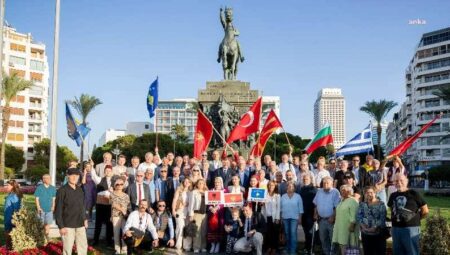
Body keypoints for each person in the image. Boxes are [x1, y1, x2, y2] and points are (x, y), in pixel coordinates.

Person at [388, 174, 428, 255]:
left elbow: (425, 211)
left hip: (411, 229)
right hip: (396, 229)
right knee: (397, 252)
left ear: (406, 181)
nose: (399, 183)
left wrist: (415, 219)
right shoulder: (393, 195)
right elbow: (392, 209)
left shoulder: (414, 194)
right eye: (396, 181)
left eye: (401, 180)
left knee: (412, 252)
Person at [55, 168, 88, 255]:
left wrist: (85, 219)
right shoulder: (62, 191)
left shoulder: (80, 190)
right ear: (68, 176)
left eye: (76, 176)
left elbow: (82, 206)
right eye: (72, 175)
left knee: (83, 247)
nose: (74, 178)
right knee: (67, 249)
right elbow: (58, 210)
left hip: (80, 224)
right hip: (67, 225)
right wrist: (61, 226)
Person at [313, 176, 340, 255]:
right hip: (321, 220)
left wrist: (333, 216)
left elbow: (337, 206)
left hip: (331, 220)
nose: (325, 185)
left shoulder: (335, 192)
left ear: (331, 184)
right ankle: (326, 253)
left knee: (333, 239)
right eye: (324, 183)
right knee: (323, 238)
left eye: (327, 183)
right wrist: (315, 213)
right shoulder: (319, 191)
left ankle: (333, 253)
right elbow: (316, 204)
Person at [357, 186, 387, 255]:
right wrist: (364, 227)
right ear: (364, 194)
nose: (369, 194)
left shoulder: (381, 204)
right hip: (365, 234)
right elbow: (359, 216)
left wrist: (374, 228)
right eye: (367, 193)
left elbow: (382, 219)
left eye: (371, 192)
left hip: (378, 234)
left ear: (375, 193)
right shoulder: (362, 204)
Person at [332, 184, 360, 255]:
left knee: (350, 249)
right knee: (343, 247)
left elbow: (354, 215)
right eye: (341, 191)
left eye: (344, 190)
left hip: (349, 229)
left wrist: (352, 225)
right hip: (341, 229)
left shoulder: (353, 201)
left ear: (349, 192)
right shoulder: (342, 201)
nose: (342, 192)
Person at [90, 164, 114, 246]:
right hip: (100, 204)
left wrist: (112, 191)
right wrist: (92, 166)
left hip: (110, 205)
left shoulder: (115, 181)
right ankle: (95, 240)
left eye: (109, 171)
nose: (108, 172)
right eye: (106, 171)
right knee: (98, 223)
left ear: (112, 172)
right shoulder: (100, 179)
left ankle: (109, 241)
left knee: (109, 223)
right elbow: (93, 176)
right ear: (104, 172)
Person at [281, 182, 304, 255]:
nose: (290, 187)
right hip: (285, 217)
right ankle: (287, 249)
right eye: (288, 186)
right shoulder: (283, 196)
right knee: (287, 234)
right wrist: (281, 218)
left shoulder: (298, 196)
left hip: (295, 218)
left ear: (294, 188)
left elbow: (301, 208)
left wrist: (300, 218)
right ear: (286, 187)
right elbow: (281, 208)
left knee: (293, 234)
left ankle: (293, 251)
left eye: (291, 186)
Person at [110, 177, 130, 254]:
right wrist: (122, 210)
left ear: (123, 185)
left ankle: (124, 249)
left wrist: (126, 214)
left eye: (121, 184)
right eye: (117, 184)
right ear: (115, 185)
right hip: (116, 216)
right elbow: (113, 205)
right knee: (116, 233)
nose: (119, 186)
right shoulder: (112, 194)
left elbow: (128, 206)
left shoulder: (126, 195)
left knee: (125, 232)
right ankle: (117, 249)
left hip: (124, 217)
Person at [172, 178, 193, 251]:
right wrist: (173, 210)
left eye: (188, 182)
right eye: (185, 181)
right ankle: (178, 246)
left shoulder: (191, 191)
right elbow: (174, 200)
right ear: (183, 182)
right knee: (180, 228)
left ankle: (187, 246)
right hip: (179, 211)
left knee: (188, 229)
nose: (187, 183)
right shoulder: (179, 190)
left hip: (188, 212)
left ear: (190, 183)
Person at [188, 179, 209, 253]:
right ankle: (196, 247)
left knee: (203, 231)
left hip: (205, 214)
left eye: (202, 183)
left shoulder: (207, 193)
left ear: (204, 184)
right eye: (199, 183)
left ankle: (203, 247)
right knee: (197, 231)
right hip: (197, 214)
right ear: (197, 184)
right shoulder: (194, 192)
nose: (201, 184)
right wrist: (191, 215)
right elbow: (191, 204)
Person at [299, 174, 318, 254]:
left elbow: (316, 204)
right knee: (306, 232)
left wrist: (315, 214)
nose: (305, 180)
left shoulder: (314, 189)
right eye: (304, 179)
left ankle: (311, 249)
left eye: (306, 179)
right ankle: (306, 248)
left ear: (310, 179)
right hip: (303, 213)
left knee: (310, 232)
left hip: (310, 214)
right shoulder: (302, 189)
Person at [34, 174, 57, 240]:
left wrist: (53, 206)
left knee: (48, 224)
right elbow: (37, 198)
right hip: (41, 209)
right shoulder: (39, 188)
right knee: (40, 224)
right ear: (43, 179)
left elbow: (53, 199)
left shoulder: (53, 188)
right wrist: (38, 207)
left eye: (49, 178)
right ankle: (40, 237)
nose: (48, 179)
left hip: (49, 209)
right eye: (46, 178)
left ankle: (46, 237)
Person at [207, 177, 227, 253]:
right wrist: (211, 208)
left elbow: (225, 201)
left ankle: (218, 244)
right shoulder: (211, 190)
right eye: (216, 182)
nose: (217, 183)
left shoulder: (224, 191)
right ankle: (212, 244)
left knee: (219, 228)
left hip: (220, 213)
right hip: (212, 213)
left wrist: (217, 207)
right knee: (212, 228)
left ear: (221, 183)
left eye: (218, 182)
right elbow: (208, 202)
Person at [261, 180, 280, 255]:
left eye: (272, 185)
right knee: (268, 233)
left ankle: (274, 248)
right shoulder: (265, 194)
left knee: (275, 234)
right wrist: (261, 204)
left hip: (274, 217)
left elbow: (278, 207)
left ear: (275, 186)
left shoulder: (277, 195)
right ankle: (268, 247)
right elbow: (262, 207)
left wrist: (277, 218)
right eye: (269, 185)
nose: (270, 186)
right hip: (266, 217)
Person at [4, 180, 22, 248]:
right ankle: (9, 246)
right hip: (8, 215)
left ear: (12, 186)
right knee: (8, 232)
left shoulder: (14, 195)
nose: (6, 187)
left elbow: (16, 208)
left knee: (8, 232)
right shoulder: (11, 194)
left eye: (8, 185)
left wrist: (15, 219)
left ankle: (8, 247)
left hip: (10, 217)